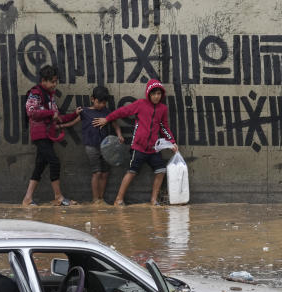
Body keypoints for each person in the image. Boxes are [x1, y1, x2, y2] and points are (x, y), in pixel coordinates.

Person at [92, 79, 178, 206]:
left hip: (154, 149)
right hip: (138, 147)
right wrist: (107, 119)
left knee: (161, 171)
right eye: (153, 94)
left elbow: (164, 126)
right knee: (132, 172)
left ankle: (153, 200)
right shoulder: (140, 104)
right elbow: (122, 112)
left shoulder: (162, 109)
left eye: (159, 94)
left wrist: (172, 142)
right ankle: (119, 199)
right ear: (148, 94)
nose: (156, 97)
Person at [21, 65, 80, 207]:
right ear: (43, 80)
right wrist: (50, 114)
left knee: (40, 166)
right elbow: (31, 111)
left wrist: (75, 114)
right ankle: (58, 197)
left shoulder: (49, 96)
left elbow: (57, 117)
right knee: (54, 162)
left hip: (48, 134)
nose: (55, 84)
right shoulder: (35, 93)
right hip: (40, 135)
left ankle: (27, 199)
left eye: (55, 81)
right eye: (52, 81)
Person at [79, 86, 124, 204]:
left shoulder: (106, 112)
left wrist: (119, 135)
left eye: (104, 103)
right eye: (99, 102)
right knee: (97, 172)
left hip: (106, 148)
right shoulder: (84, 112)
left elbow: (115, 124)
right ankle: (95, 199)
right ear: (92, 99)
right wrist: (61, 126)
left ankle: (101, 198)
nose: (101, 105)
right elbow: (73, 121)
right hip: (91, 146)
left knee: (105, 173)